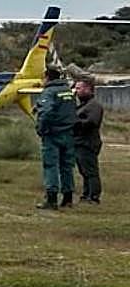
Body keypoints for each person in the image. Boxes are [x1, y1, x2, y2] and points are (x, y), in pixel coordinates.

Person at [33, 68, 77, 210]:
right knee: (67, 166)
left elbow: (46, 112)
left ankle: (51, 199)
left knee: (51, 166)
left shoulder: (49, 92)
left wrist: (41, 128)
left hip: (53, 135)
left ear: (47, 77)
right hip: (69, 133)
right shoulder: (68, 91)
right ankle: (68, 198)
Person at [72, 77, 103, 204]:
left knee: (90, 171)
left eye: (79, 88)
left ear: (88, 89)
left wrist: (76, 123)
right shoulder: (83, 105)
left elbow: (92, 122)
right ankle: (86, 194)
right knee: (84, 171)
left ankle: (94, 196)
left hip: (87, 142)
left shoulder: (94, 105)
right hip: (79, 142)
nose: (76, 91)